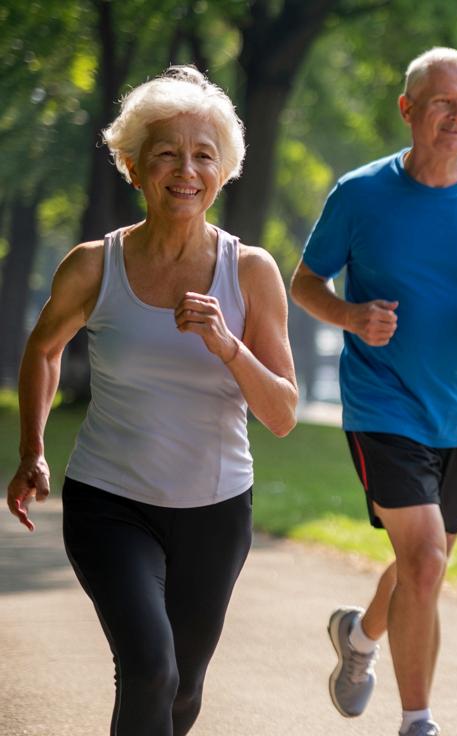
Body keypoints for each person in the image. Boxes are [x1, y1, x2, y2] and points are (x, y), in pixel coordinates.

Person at [5, 66, 297, 735]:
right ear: (133, 166)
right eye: (167, 154)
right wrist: (32, 451)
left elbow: (282, 413)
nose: (186, 171)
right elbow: (44, 350)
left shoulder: (250, 272)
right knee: (149, 670)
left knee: (183, 691)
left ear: (225, 171)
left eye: (204, 156)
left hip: (215, 510)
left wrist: (227, 345)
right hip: (110, 501)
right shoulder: (93, 265)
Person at [290, 47, 457, 736]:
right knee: (425, 559)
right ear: (407, 109)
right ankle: (418, 721)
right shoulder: (359, 194)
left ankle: (358, 636)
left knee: (422, 566)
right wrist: (350, 316)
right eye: (442, 103)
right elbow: (305, 282)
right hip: (383, 403)